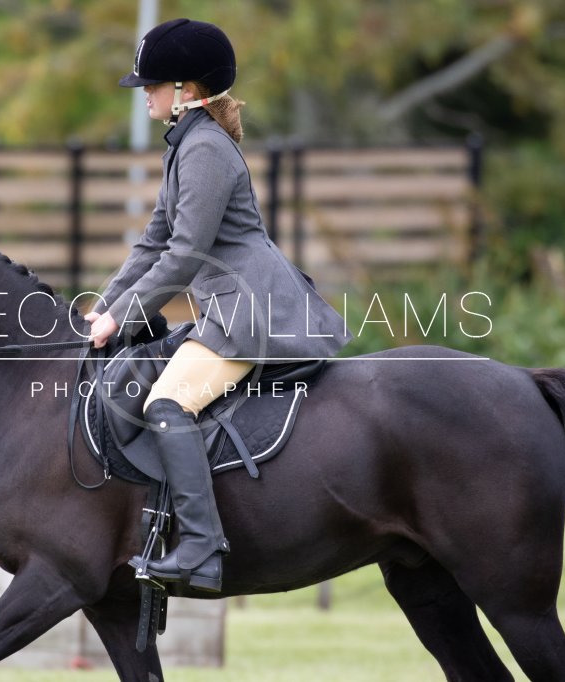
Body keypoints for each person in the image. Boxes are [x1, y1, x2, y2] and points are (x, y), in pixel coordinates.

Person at [86, 18, 352, 593]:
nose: (145, 94)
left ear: (185, 90)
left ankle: (201, 550)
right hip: (228, 308)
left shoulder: (204, 148)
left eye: (152, 85)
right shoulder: (187, 144)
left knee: (167, 404)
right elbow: (153, 243)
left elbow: (184, 253)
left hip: (249, 314)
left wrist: (123, 316)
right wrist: (103, 308)